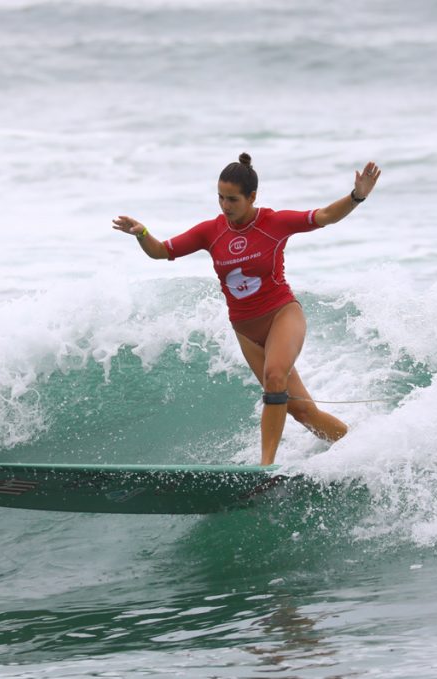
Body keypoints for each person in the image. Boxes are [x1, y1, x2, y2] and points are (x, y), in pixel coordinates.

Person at [112, 153, 381, 465]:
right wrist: (142, 233)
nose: (225, 206)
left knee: (275, 377)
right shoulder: (210, 231)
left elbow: (324, 216)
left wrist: (357, 195)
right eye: (220, 198)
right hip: (246, 331)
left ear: (252, 196)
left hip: (282, 314)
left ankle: (264, 467)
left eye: (233, 199)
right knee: (302, 411)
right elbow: (160, 252)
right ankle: (362, 450)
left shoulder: (273, 223)